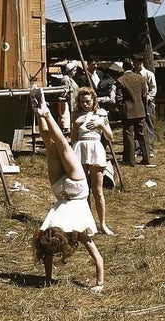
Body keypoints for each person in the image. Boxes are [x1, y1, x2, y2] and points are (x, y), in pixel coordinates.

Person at [30, 85, 104, 293]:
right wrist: (99, 284)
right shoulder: (78, 232)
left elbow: (47, 254)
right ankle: (43, 112)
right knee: (57, 145)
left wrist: (48, 278)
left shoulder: (55, 232)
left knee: (54, 145)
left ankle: (41, 113)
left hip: (66, 190)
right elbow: (97, 257)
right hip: (71, 189)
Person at [71, 87, 115, 236]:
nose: (85, 105)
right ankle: (87, 223)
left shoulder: (101, 114)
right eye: (83, 102)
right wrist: (76, 125)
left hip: (95, 148)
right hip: (80, 148)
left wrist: (101, 125)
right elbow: (73, 138)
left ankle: (102, 224)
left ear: (94, 100)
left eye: (88, 101)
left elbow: (110, 137)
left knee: (98, 190)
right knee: (83, 189)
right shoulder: (76, 114)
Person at [116, 58, 150, 166]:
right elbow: (145, 96)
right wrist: (144, 108)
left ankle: (130, 161)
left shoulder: (121, 80)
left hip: (128, 112)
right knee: (143, 136)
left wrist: (121, 109)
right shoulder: (141, 78)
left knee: (129, 136)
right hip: (140, 111)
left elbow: (118, 98)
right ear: (132, 66)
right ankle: (147, 159)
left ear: (123, 67)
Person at [133, 55, 157, 157]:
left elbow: (153, 89)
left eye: (136, 62)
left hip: (147, 103)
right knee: (136, 125)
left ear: (141, 62)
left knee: (149, 125)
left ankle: (149, 148)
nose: (135, 64)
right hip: (136, 102)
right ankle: (137, 148)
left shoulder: (148, 74)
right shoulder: (133, 74)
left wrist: (148, 97)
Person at [58, 60, 80, 132]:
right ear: (70, 70)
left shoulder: (71, 79)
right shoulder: (66, 79)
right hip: (67, 102)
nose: (75, 72)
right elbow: (64, 92)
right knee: (66, 122)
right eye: (74, 70)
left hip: (73, 101)